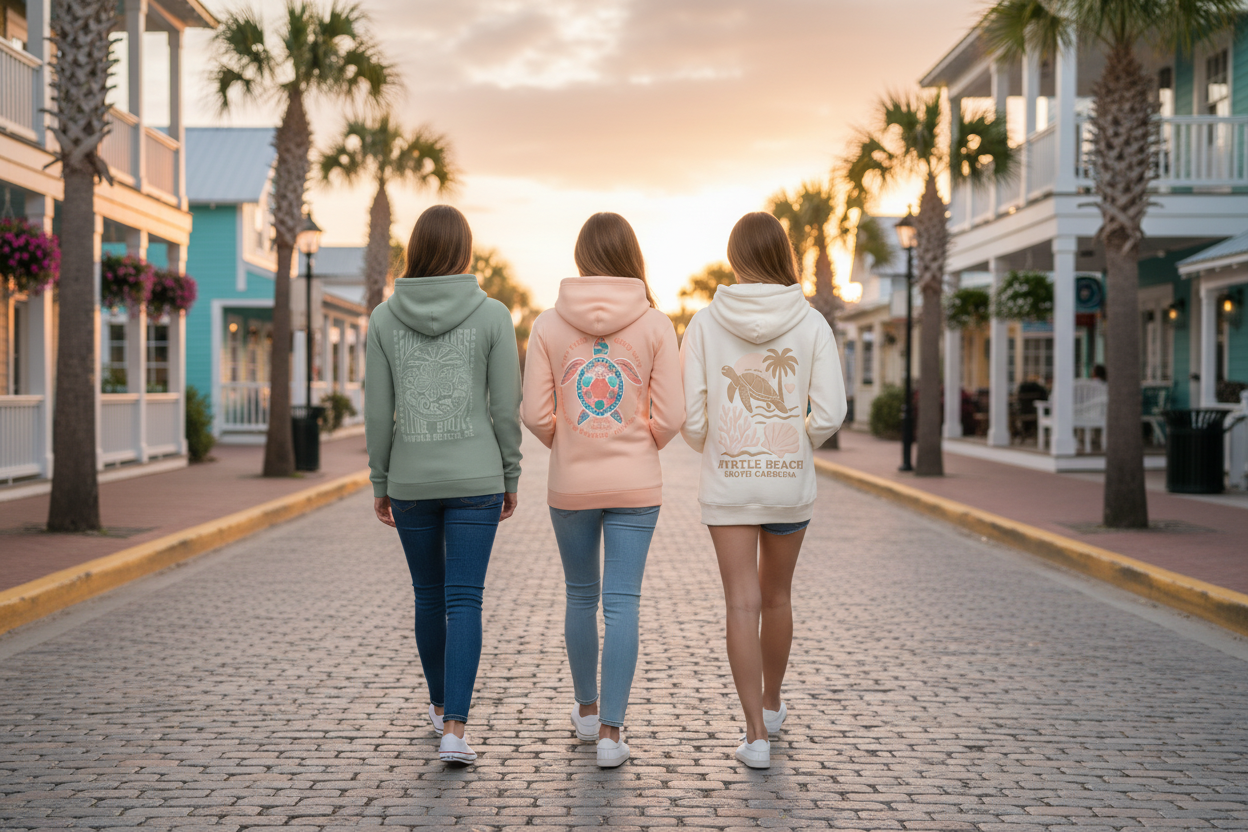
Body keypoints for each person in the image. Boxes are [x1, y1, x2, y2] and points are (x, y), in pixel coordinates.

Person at [680, 212, 846, 769]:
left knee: (740, 602)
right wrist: (796, 443)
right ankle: (772, 703)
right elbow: (830, 412)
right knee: (777, 599)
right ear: (783, 254)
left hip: (727, 487)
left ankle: (755, 735)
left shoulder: (704, 323)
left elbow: (693, 415)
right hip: (788, 488)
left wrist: (713, 443)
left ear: (734, 257)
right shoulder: (812, 322)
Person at [521, 212, 685, 768]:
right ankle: (613, 735)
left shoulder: (547, 325)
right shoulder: (657, 325)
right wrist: (639, 444)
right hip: (637, 483)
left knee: (580, 595)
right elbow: (673, 415)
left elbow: (535, 413)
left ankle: (587, 712)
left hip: (570, 483)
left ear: (580, 256)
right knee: (622, 603)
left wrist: (569, 445)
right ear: (631, 256)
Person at [365, 204, 523, 765]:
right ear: (466, 251)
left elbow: (378, 413)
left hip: (410, 480)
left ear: (415, 249)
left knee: (429, 597)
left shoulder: (384, 319)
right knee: (464, 599)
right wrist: (511, 472)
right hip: (477, 477)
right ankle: (455, 727)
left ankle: (437, 707)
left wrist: (381, 481)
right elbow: (506, 408)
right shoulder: (494, 316)